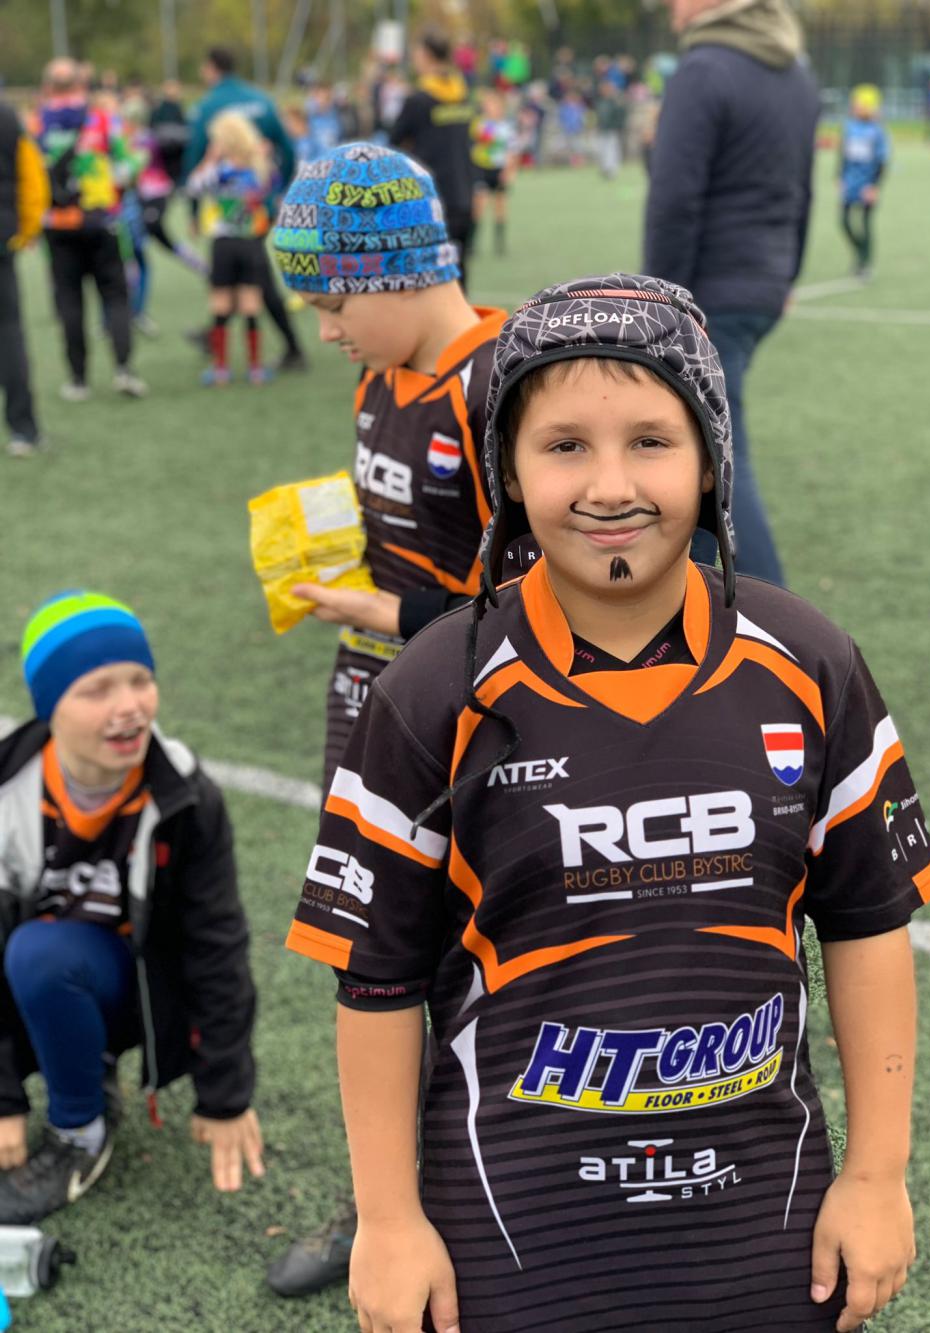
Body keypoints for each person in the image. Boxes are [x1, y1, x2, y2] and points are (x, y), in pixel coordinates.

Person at [286, 272, 930, 1333]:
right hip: (510, 1230)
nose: (609, 485)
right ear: (507, 469)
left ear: (710, 458)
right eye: (564, 445)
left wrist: (875, 1176)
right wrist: (390, 1217)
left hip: (761, 1224)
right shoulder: (432, 690)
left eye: (650, 441)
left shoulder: (808, 663)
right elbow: (376, 978)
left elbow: (868, 923)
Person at [265, 143, 507, 1298]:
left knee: (476, 952)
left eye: (333, 302)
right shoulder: (379, 375)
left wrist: (386, 610)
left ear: (403, 269)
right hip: (367, 702)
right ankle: (384, 1200)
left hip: (473, 721)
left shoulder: (495, 382)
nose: (325, 330)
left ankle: (477, 1187)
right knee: (374, 950)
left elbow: (534, 600)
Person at [0, 592, 262, 1223]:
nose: (128, 706)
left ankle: (79, 1131)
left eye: (140, 680)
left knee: (42, 953)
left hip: (138, 996)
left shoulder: (185, 797)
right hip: (26, 993)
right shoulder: (9, 792)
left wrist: (225, 1095)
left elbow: (216, 946)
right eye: (97, 690)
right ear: (50, 706)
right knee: (34, 954)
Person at [644, 0, 819, 588]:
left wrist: (658, 301)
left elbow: (674, 200)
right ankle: (683, 596)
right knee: (697, 443)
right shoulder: (794, 71)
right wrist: (786, 274)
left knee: (719, 460)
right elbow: (803, 190)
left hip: (711, 290)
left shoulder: (703, 69)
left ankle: (773, 616)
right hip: (761, 284)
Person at [183, 46, 307, 373]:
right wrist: (278, 192)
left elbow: (194, 162)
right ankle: (222, 339)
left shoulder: (208, 105)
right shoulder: (261, 99)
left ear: (211, 68)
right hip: (258, 210)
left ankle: (287, 348)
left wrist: (193, 212)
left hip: (226, 223)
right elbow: (288, 150)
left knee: (250, 281)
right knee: (252, 275)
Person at [36, 58, 147, 402]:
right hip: (102, 221)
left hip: (57, 225)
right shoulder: (101, 120)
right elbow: (129, 164)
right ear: (81, 85)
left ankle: (78, 380)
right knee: (115, 295)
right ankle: (124, 370)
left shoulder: (38, 124)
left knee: (69, 301)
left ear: (47, 87)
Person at [187, 112, 274, 386]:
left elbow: (193, 187)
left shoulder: (219, 169)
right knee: (251, 304)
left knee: (221, 304)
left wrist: (209, 159)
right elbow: (271, 188)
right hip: (250, 241)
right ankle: (255, 368)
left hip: (223, 243)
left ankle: (221, 368)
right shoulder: (258, 166)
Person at [389, 28, 476, 282]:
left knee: (430, 277)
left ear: (426, 54)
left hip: (430, 199)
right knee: (459, 273)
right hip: (464, 194)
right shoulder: (463, 93)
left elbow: (394, 141)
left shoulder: (418, 99)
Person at [0, 98, 48, 458]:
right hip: (2, 238)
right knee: (8, 332)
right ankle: (23, 429)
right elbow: (32, 177)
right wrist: (27, 229)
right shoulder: (7, 116)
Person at [839, 85, 889, 281]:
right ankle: (860, 252)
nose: (855, 108)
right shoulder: (849, 127)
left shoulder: (877, 131)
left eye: (859, 104)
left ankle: (865, 263)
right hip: (850, 182)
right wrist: (840, 178)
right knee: (844, 222)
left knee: (865, 224)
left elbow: (882, 161)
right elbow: (843, 155)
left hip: (867, 184)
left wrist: (874, 186)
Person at [470, 89, 515, 255]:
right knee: (478, 207)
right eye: (487, 104)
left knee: (500, 206)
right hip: (482, 169)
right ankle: (472, 244)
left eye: (493, 104)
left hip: (499, 169)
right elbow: (478, 142)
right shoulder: (480, 124)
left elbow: (512, 151)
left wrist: (508, 171)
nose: (489, 107)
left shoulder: (507, 127)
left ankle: (499, 244)